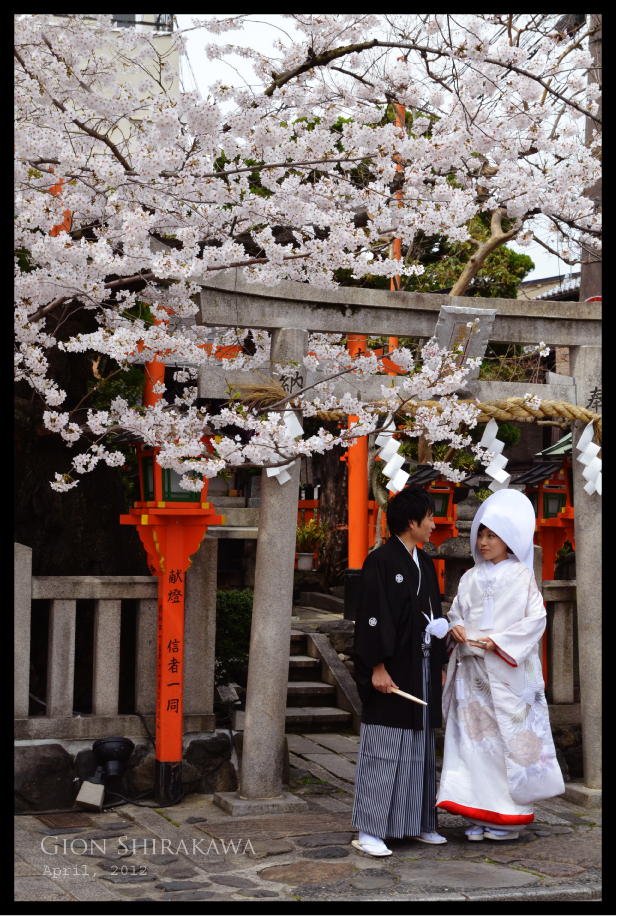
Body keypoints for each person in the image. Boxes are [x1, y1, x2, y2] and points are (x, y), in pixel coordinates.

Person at [436, 488, 565, 840]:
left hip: (506, 672)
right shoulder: (469, 577)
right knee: (474, 744)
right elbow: (456, 612)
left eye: (491, 535)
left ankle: (506, 818)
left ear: (508, 540)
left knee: (509, 744)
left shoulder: (522, 576)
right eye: (482, 533)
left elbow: (536, 620)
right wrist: (456, 627)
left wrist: (500, 643)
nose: (483, 541)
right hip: (472, 672)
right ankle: (477, 814)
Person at [351, 486, 450, 856]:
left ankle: (418, 822)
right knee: (385, 745)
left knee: (419, 747)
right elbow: (372, 618)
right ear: (412, 521)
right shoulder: (381, 560)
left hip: (420, 665)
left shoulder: (424, 562)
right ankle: (371, 829)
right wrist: (376, 666)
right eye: (429, 517)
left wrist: (438, 661)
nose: (433, 523)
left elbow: (434, 615)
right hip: (390, 668)